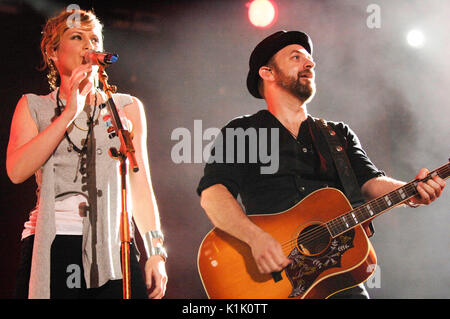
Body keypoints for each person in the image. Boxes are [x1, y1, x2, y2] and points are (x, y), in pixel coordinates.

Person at [197, 30, 446, 298]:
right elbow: (213, 195)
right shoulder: (242, 132)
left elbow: (370, 183)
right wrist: (255, 238)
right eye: (296, 57)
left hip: (340, 278)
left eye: (310, 59)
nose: (310, 64)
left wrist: (411, 192)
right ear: (268, 73)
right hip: (274, 283)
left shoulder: (337, 134)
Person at [6, 8, 167, 299]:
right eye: (77, 36)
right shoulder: (33, 106)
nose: (88, 45)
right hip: (54, 242)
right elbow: (17, 171)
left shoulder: (126, 108)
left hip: (113, 242)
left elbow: (140, 184)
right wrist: (69, 112)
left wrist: (155, 250)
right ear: (53, 53)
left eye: (94, 38)